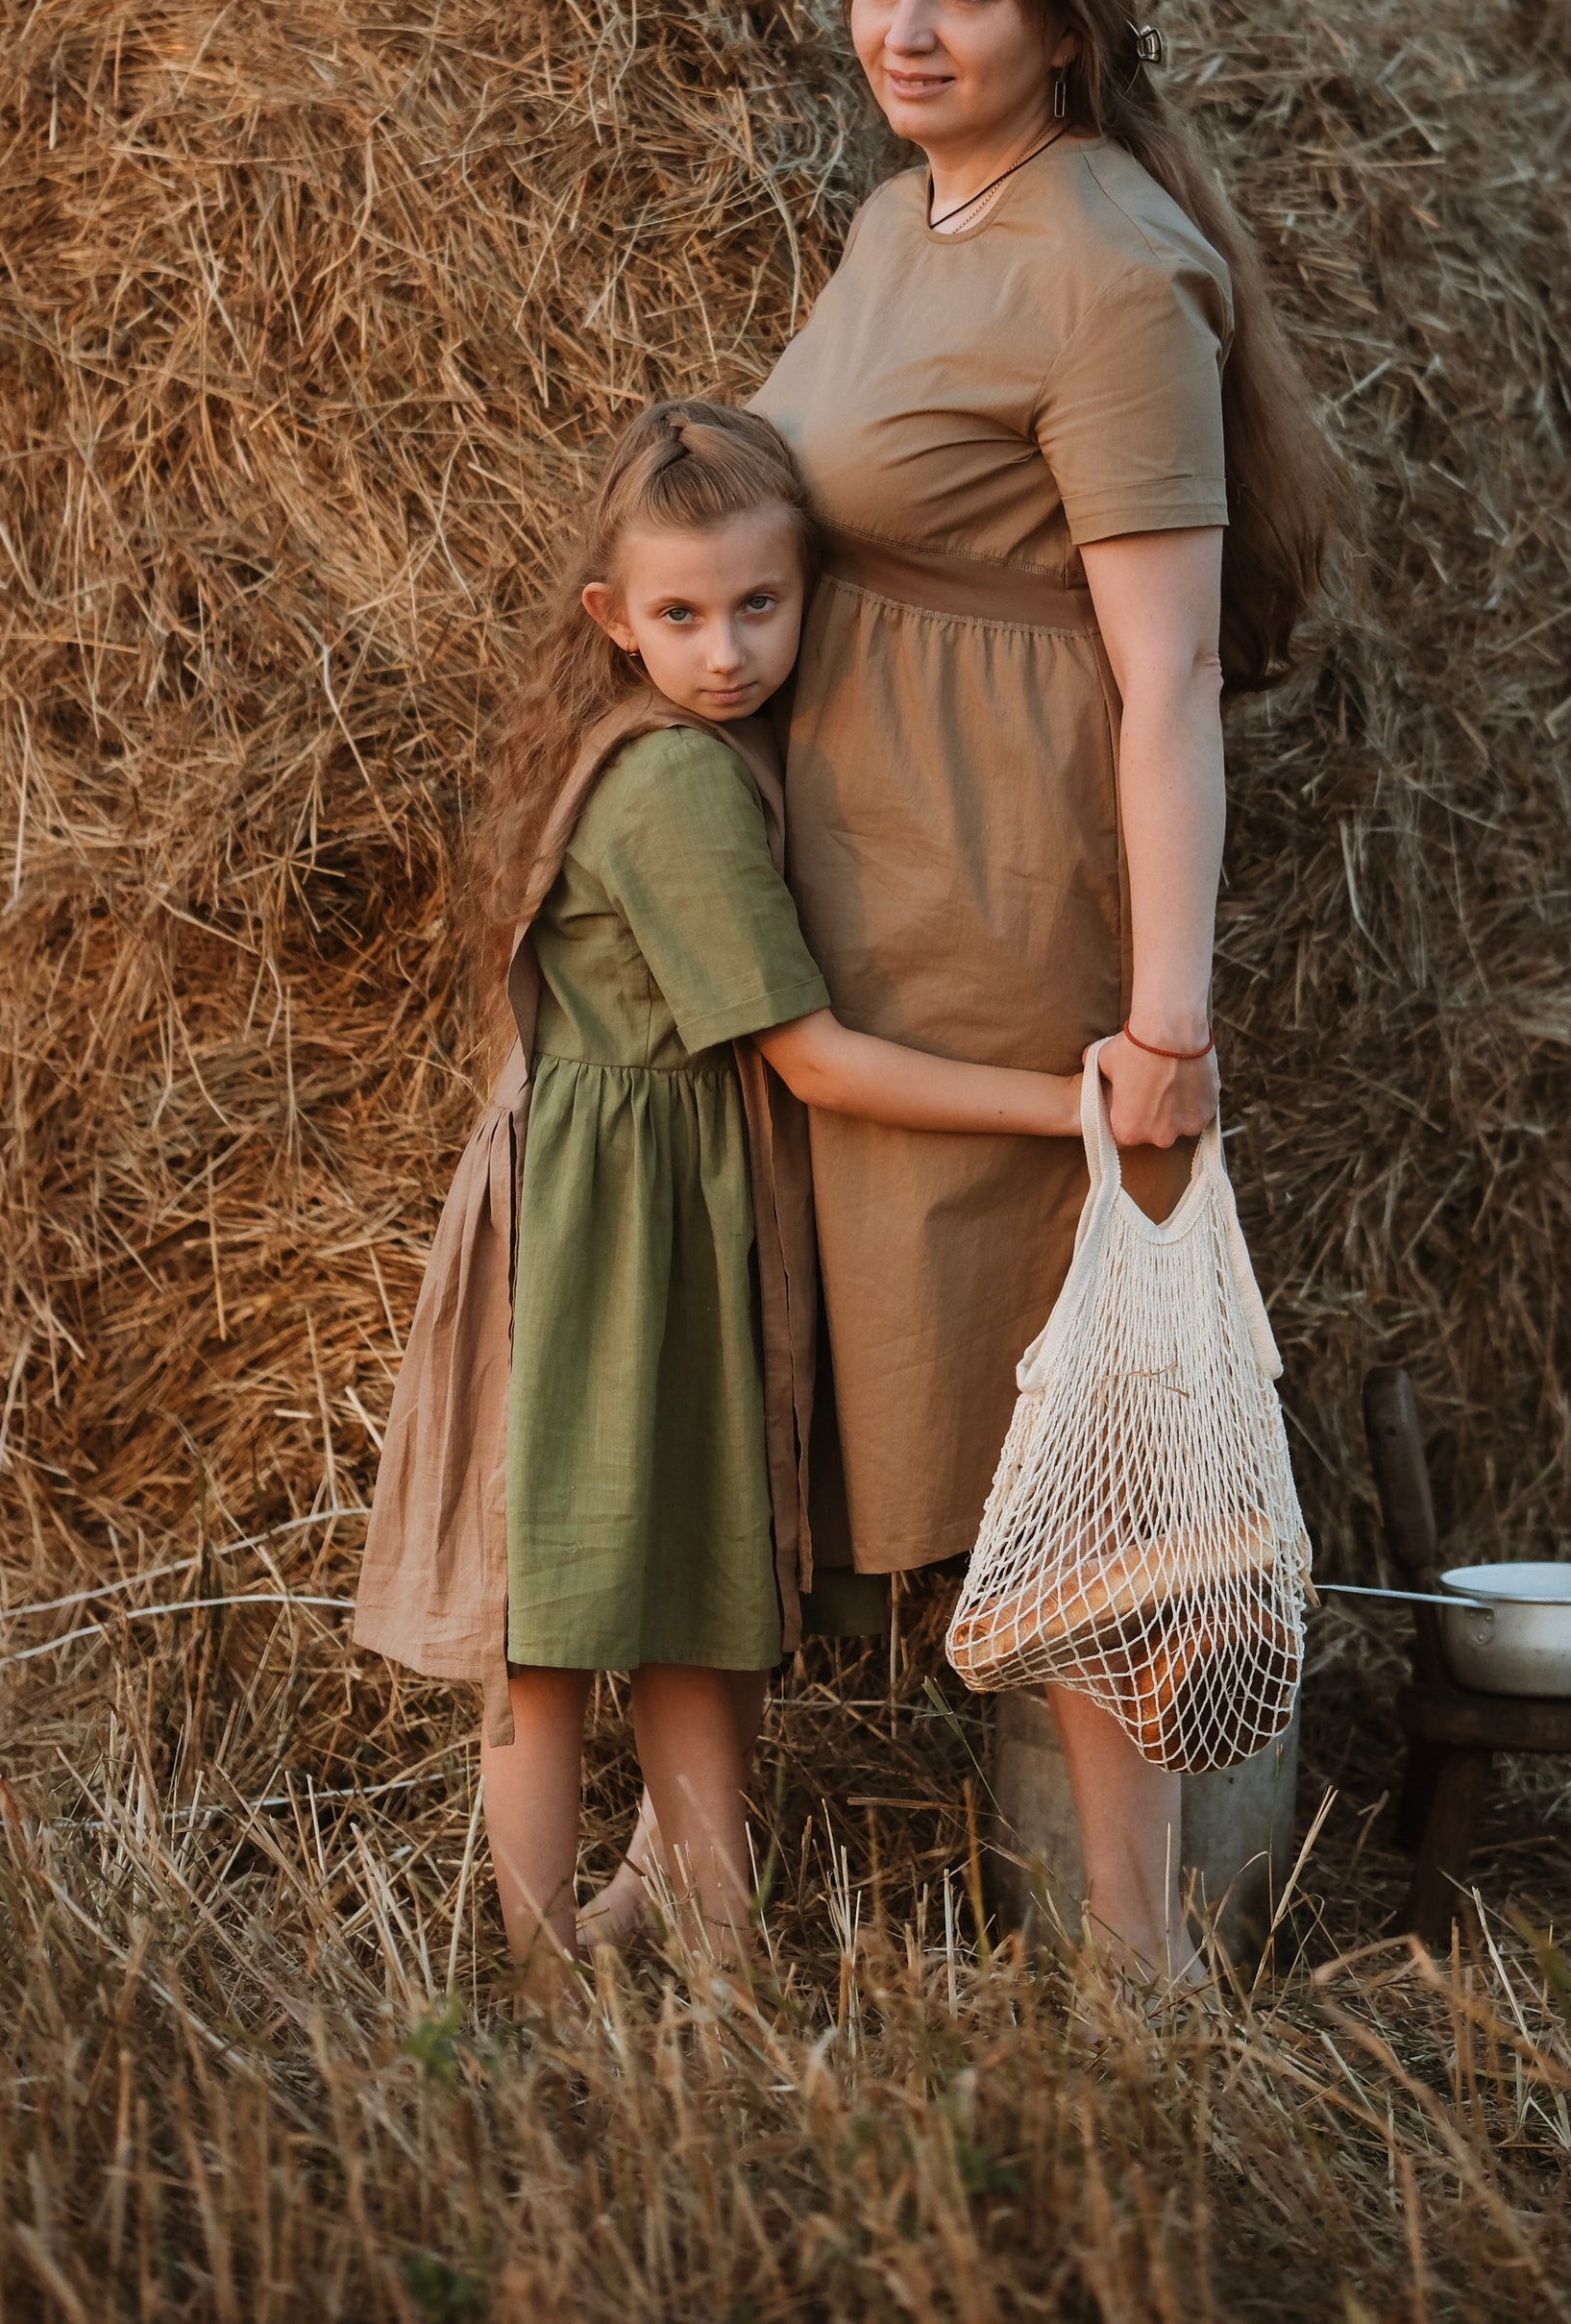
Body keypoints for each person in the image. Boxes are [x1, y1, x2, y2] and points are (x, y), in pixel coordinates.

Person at [754, 0, 1341, 1982]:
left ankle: (1139, 1956)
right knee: (955, 1376)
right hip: (873, 876)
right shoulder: (902, 215)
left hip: (1010, 890)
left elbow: (1168, 675)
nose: (906, 30)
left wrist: (1164, 1024)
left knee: (1083, 1400)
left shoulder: (1107, 267)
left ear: (1064, 22)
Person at [352, 399, 1085, 1972]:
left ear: (812, 588)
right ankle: (542, 1974)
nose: (729, 650)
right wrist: (1070, 1105)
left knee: (694, 1593)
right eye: (681, 616)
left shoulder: (703, 747)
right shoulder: (673, 783)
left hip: (663, 1215)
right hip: (609, 1238)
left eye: (761, 604)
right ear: (612, 619)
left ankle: (719, 1940)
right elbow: (814, 1061)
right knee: (552, 1630)